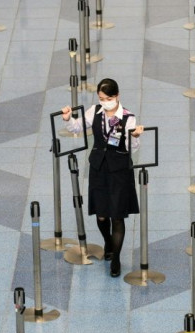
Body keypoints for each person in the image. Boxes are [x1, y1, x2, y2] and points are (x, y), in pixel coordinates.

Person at [61, 78, 144, 277]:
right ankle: (107, 241)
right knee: (101, 214)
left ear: (117, 96)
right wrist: (68, 118)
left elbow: (132, 148)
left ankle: (115, 258)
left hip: (119, 171)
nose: (104, 102)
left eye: (108, 98)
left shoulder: (127, 117)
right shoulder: (94, 111)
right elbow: (77, 127)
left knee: (117, 216)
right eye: (101, 98)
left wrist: (134, 137)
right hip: (99, 168)